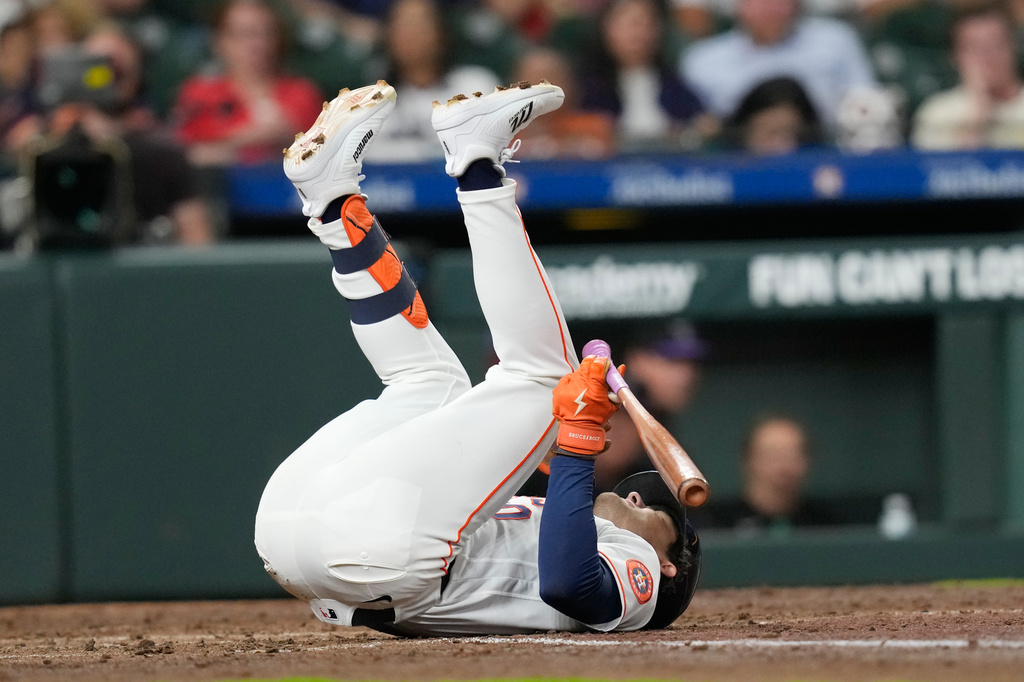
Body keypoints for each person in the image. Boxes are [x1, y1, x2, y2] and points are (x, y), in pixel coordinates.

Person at [254, 79, 701, 635]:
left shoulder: (645, 582)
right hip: (303, 537)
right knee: (431, 382)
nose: (635, 494)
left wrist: (575, 440)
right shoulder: (563, 517)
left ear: (665, 563)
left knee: (546, 377)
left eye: (660, 519)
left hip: (366, 557)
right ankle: (331, 203)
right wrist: (524, 449)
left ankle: (477, 159)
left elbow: (569, 584)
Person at [172, 0, 324, 166]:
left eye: (266, 34)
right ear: (219, 41)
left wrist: (288, 136)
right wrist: (250, 138)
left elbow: (323, 154)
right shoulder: (199, 94)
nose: (257, 45)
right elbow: (185, 156)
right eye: (244, 35)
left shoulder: (302, 93)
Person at [681, 0, 876, 127]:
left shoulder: (836, 40)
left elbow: (867, 105)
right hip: (737, 164)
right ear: (739, 6)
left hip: (825, 155)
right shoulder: (702, 60)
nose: (772, 9)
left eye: (781, 1)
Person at [362, 0, 498, 164]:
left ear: (441, 33)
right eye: (402, 25)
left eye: (419, 24)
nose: (411, 34)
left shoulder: (476, 86)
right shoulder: (368, 103)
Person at [579, 0, 706, 151]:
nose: (640, 35)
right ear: (607, 28)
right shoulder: (585, 88)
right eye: (633, 25)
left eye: (649, 25)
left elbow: (700, 123)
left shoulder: (675, 86)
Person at [593, 321, 704, 493]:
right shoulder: (611, 404)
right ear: (636, 360)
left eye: (690, 363)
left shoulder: (664, 421)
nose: (685, 375)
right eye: (672, 360)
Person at [693, 414, 837, 535]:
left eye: (793, 454)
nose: (784, 466)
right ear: (748, 459)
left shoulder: (827, 525)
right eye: (772, 454)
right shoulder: (715, 525)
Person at [912, 3, 1024, 150]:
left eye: (997, 44)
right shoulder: (936, 113)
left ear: (1013, 46)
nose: (989, 57)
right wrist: (978, 113)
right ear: (954, 57)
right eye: (975, 48)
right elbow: (943, 171)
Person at [724, 76, 825, 155]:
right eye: (769, 134)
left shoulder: (826, 161)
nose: (779, 146)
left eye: (788, 134)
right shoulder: (719, 165)